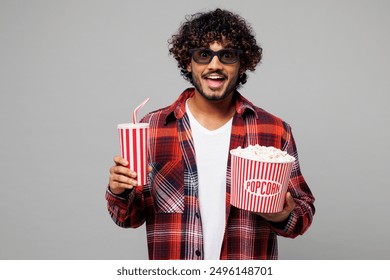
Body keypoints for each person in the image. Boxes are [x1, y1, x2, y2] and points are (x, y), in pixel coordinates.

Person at [106, 8, 315, 260]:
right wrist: (119, 191)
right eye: (204, 55)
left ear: (242, 63)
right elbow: (127, 219)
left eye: (227, 55)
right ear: (188, 62)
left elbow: (303, 212)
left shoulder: (273, 129)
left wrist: (283, 215)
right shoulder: (151, 128)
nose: (214, 65)